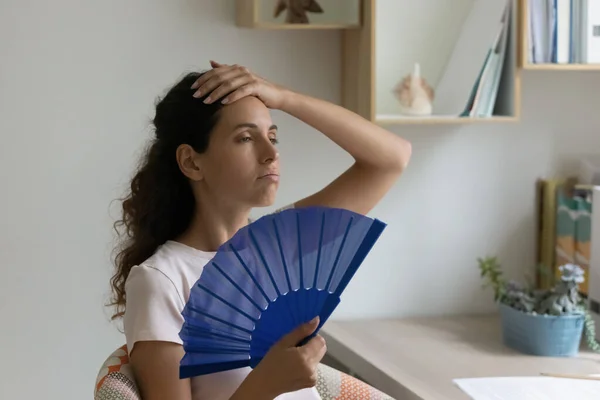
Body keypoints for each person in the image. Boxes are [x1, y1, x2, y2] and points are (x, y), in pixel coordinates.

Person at [108, 60, 412, 400]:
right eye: (245, 138)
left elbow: (391, 158)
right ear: (192, 162)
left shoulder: (281, 243)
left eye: (272, 136)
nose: (271, 154)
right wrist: (264, 385)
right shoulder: (161, 280)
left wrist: (283, 97)